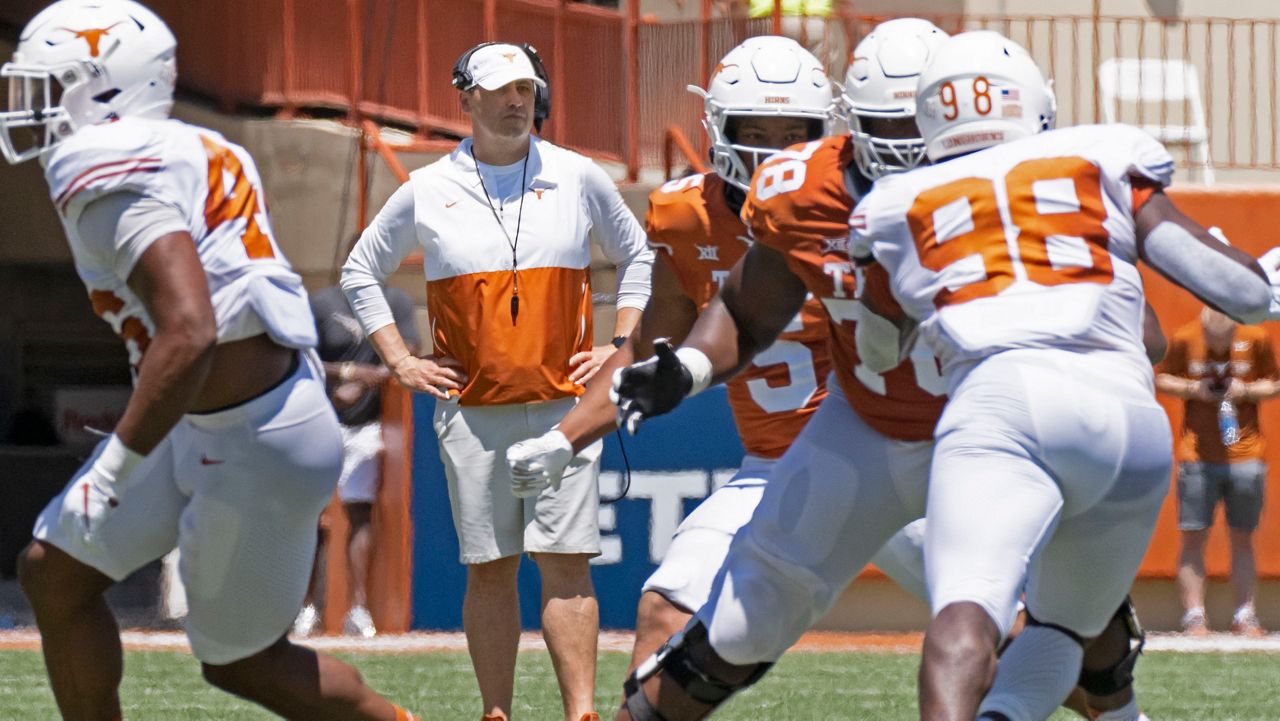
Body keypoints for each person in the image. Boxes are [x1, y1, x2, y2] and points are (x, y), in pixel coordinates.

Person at [606, 22, 1166, 721]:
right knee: (730, 627)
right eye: (884, 127)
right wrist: (687, 367)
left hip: (995, 439)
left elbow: (1148, 337)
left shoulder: (1017, 191)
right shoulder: (809, 187)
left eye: (916, 124)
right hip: (865, 429)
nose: (902, 150)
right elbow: (749, 309)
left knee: (1072, 629)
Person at [840, 30, 1280, 721]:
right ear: (1036, 105)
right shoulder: (1094, 156)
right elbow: (1241, 297)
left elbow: (874, 352)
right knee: (1063, 631)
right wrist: (1260, 276)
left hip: (1002, 400)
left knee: (966, 621)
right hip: (1126, 420)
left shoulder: (901, 203)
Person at [2, 2, 420, 719]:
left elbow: (190, 327)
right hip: (217, 417)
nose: (32, 106)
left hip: (251, 436)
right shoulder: (196, 145)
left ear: (105, 85)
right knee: (55, 571)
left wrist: (115, 466)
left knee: (245, 664)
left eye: (51, 85)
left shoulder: (102, 164)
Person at [509, 33, 926, 674]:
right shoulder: (687, 218)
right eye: (754, 127)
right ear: (716, 129)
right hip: (775, 467)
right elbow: (649, 348)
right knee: (665, 612)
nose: (769, 148)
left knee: (1012, 624)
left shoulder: (861, 207)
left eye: (793, 131)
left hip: (888, 460)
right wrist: (565, 438)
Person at [340, 41, 654, 721]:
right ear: (468, 98)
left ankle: (581, 714)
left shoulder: (578, 175)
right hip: (471, 410)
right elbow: (358, 270)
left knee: (567, 560)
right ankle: (496, 712)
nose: (517, 100)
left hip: (564, 411)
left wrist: (621, 345)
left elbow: (639, 255)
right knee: (490, 567)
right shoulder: (428, 187)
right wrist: (401, 359)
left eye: (525, 88)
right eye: (502, 89)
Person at [293, 284, 422, 638]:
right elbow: (301, 356)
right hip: (320, 418)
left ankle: (358, 609)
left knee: (359, 513)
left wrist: (370, 380)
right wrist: (349, 373)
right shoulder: (322, 302)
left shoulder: (394, 299)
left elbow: (409, 348)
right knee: (312, 516)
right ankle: (305, 608)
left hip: (368, 423)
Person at [1156, 306, 1280, 637]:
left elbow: (1274, 382)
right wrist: (1194, 390)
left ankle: (1245, 614)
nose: (1219, 347)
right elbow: (1163, 377)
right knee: (1193, 537)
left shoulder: (1256, 337)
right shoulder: (1186, 336)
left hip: (1246, 455)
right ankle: (1194, 616)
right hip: (1196, 454)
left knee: (1243, 538)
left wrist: (1246, 391)